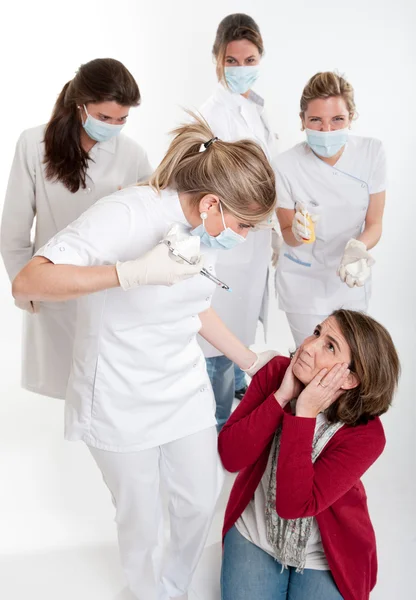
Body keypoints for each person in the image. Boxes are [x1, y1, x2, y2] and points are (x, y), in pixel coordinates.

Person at [12, 115, 277, 600]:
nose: (246, 235)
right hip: (118, 393)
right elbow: (29, 281)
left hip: (181, 386)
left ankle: (175, 587)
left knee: (199, 498)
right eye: (245, 225)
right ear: (215, 203)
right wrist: (128, 273)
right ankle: (145, 592)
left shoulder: (206, 225)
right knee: (141, 517)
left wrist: (251, 359)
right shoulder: (128, 214)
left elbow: (194, 305)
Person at [219, 309, 400, 600]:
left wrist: (304, 413)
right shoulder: (278, 373)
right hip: (255, 534)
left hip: (324, 552)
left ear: (350, 379)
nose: (309, 346)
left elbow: (295, 504)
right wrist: (281, 397)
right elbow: (231, 456)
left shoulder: (367, 435)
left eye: (330, 346)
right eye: (317, 333)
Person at [1, 57, 152, 399]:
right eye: (103, 117)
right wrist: (26, 288)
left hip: (110, 294)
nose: (113, 126)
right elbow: (13, 229)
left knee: (109, 393)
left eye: (122, 119)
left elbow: (152, 222)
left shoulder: (134, 155)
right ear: (80, 105)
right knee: (68, 389)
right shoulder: (33, 145)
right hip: (52, 292)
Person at [198, 13, 281, 427]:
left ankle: (231, 386)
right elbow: (209, 179)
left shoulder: (255, 109)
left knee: (242, 316)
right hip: (229, 238)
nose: (242, 69)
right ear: (217, 60)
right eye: (232, 61)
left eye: (250, 60)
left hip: (255, 238)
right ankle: (216, 420)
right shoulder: (213, 114)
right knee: (220, 327)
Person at [275, 71, 386, 347]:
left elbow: (374, 223)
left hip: (349, 280)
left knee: (348, 366)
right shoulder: (285, 165)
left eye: (337, 120)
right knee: (310, 365)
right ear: (302, 121)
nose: (327, 131)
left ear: (351, 117)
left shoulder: (372, 153)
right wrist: (297, 233)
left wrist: (357, 248)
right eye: (316, 120)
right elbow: (287, 233)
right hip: (303, 282)